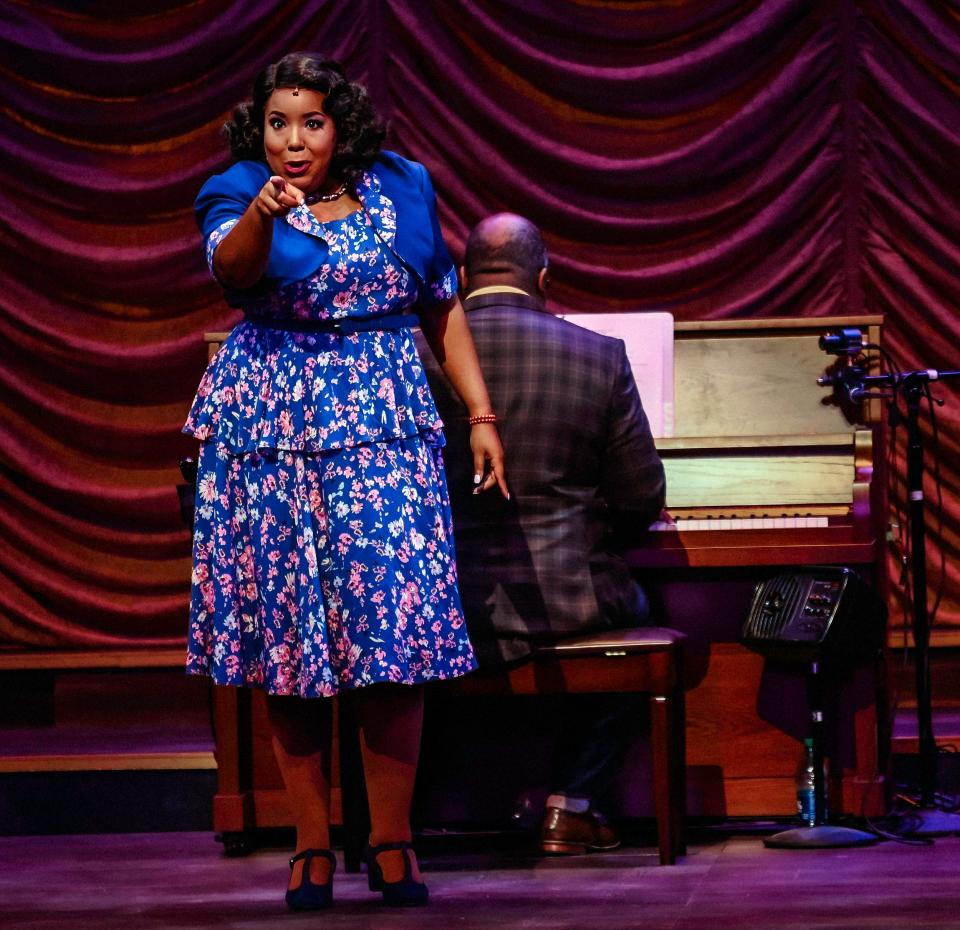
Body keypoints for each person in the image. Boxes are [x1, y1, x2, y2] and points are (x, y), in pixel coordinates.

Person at [184, 52, 506, 910]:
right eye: (278, 122)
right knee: (293, 644)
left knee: (393, 636)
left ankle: (393, 839)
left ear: (341, 126)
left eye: (311, 121)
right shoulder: (235, 191)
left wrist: (479, 415)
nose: (293, 141)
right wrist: (260, 209)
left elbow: (442, 302)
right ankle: (312, 844)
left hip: (384, 425)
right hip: (274, 429)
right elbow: (236, 272)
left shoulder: (399, 184)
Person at [416, 213, 666, 855]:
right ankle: (572, 805)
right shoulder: (598, 354)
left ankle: (429, 806)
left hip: (440, 601)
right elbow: (642, 498)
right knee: (644, 605)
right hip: (566, 600)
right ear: (545, 277)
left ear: (464, 277)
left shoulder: (414, 354)